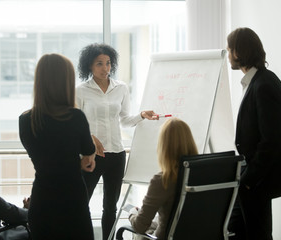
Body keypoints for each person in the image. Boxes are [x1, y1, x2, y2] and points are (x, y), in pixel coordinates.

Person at [76, 43, 158, 240]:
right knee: (82, 202)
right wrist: (89, 141)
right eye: (99, 64)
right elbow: (76, 125)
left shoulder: (121, 88)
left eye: (108, 63)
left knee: (110, 206)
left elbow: (124, 119)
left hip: (117, 154)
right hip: (92, 155)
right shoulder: (81, 91)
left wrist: (141, 115)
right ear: (89, 66)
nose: (105, 68)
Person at [19, 53, 96, 240]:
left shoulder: (25, 120)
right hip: (73, 200)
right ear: (66, 82)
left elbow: (45, 158)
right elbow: (88, 158)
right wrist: (82, 160)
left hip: (42, 200)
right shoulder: (76, 117)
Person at [227, 27, 281, 240]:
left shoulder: (264, 84)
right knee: (237, 230)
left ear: (238, 52)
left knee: (257, 234)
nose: (228, 56)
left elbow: (271, 139)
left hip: (257, 178)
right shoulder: (254, 82)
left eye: (229, 50)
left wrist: (249, 179)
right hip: (249, 174)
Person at [128, 118, 198, 239]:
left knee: (138, 235)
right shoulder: (206, 174)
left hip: (168, 236)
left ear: (163, 147)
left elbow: (140, 226)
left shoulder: (163, 180)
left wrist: (132, 214)